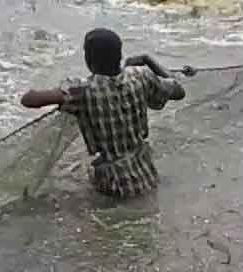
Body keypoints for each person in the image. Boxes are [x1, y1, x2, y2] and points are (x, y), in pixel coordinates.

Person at [21, 28, 185, 198]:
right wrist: (147, 60)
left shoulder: (82, 91)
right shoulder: (141, 76)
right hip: (147, 174)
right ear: (119, 56)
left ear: (88, 60)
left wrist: (63, 90)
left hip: (113, 184)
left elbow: (29, 100)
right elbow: (179, 91)